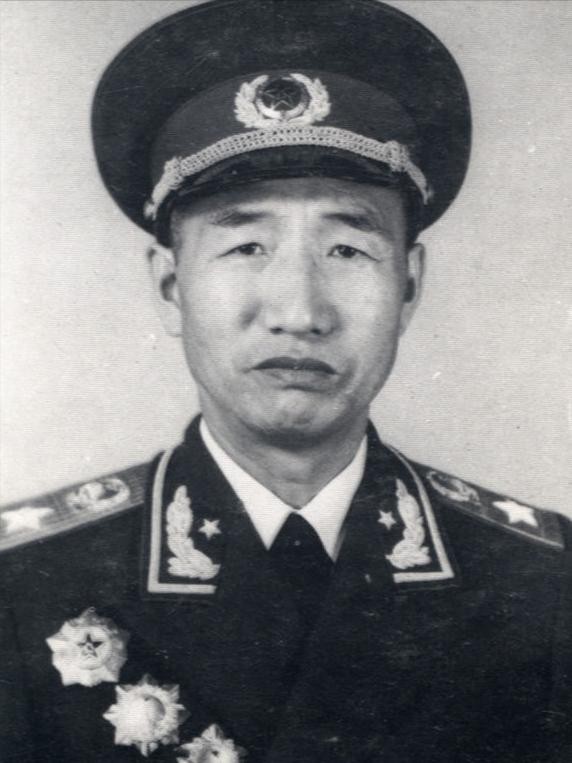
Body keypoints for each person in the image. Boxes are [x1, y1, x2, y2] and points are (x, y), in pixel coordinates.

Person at [1, 1, 570, 761]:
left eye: (347, 249)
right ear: (170, 287)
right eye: (245, 246)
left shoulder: (545, 586)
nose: (299, 312)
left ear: (408, 286)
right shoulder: (23, 585)